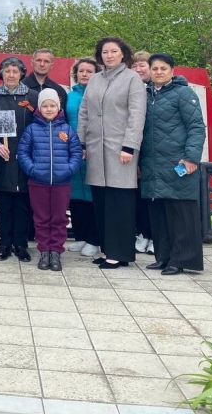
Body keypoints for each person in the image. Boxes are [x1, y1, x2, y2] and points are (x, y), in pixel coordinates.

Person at [77, 36, 146, 270]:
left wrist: (130, 146)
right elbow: (84, 112)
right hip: (96, 149)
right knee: (102, 202)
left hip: (121, 151)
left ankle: (120, 253)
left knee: (120, 203)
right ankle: (108, 250)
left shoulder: (132, 79)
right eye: (104, 52)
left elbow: (137, 116)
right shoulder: (95, 80)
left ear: (123, 54)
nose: (109, 55)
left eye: (113, 51)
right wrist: (82, 143)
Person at [140, 53, 206, 275]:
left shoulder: (183, 93)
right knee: (159, 213)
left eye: (163, 68)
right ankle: (164, 257)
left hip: (179, 162)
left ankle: (182, 259)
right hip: (153, 164)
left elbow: (197, 126)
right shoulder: (146, 94)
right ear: (149, 71)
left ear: (172, 71)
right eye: (155, 68)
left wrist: (191, 157)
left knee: (181, 212)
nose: (158, 72)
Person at [17, 89, 82, 271]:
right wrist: (32, 169)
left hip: (62, 182)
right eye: (45, 105)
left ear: (58, 107)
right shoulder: (32, 129)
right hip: (38, 182)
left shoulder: (67, 129)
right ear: (39, 107)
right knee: (41, 218)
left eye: (52, 105)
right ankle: (44, 250)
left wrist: (69, 169)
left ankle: (56, 252)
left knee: (59, 218)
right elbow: (23, 153)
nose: (49, 109)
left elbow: (76, 152)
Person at [0, 57, 38, 262]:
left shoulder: (32, 96)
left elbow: (39, 124)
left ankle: (21, 244)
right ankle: (4, 243)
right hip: (3, 159)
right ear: (1, 74)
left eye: (15, 71)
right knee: (4, 204)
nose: (11, 75)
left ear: (22, 73)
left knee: (23, 204)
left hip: (25, 158)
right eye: (7, 71)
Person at [65, 58, 102, 258]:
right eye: (81, 71)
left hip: (95, 150)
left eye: (89, 71)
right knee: (76, 194)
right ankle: (80, 236)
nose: (85, 74)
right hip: (73, 150)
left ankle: (94, 239)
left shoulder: (100, 94)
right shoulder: (70, 96)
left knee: (94, 195)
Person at [132, 50, 154, 255]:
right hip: (135, 149)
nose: (138, 69)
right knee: (138, 195)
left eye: (142, 65)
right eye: (135, 66)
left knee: (154, 196)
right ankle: (143, 233)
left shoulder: (157, 90)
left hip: (155, 150)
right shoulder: (131, 88)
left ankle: (154, 234)